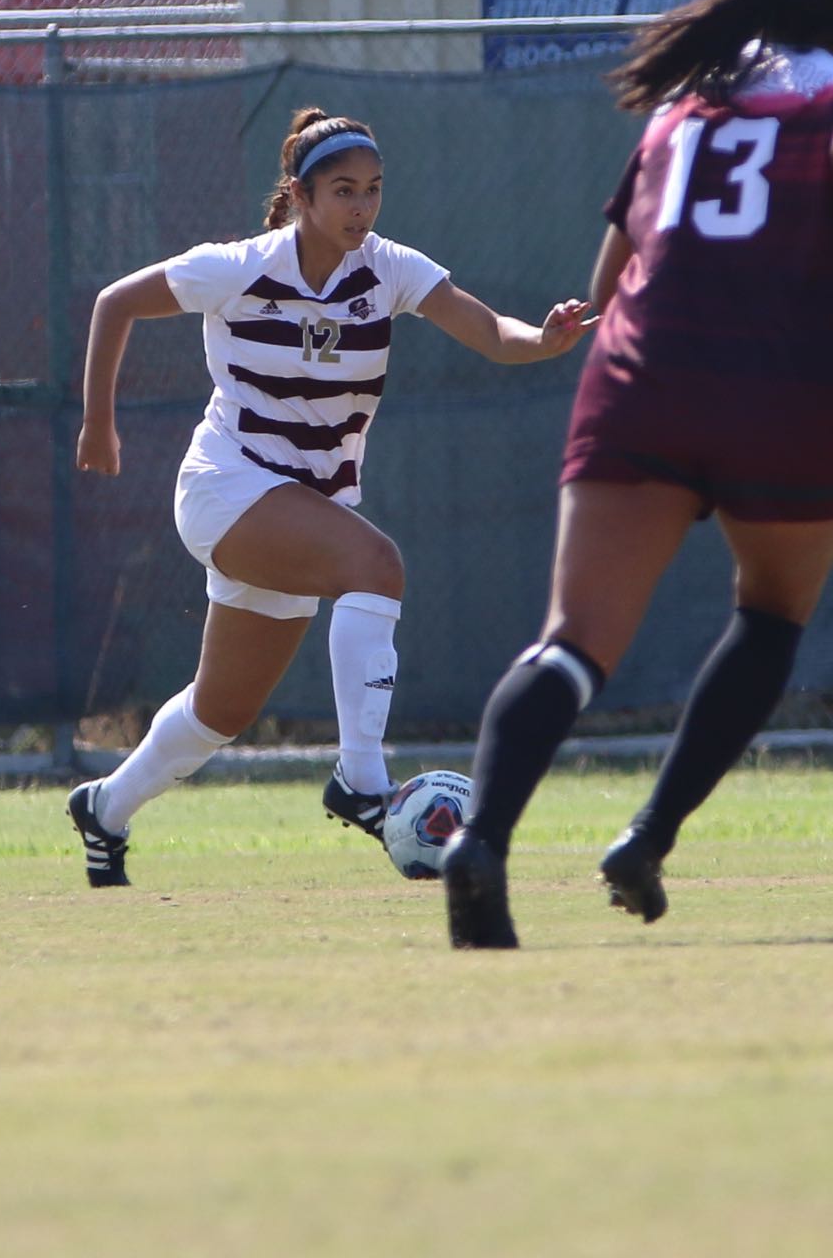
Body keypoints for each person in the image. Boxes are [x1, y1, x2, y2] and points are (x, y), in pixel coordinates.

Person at [441, 0, 833, 950]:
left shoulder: (687, 100)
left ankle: (481, 838)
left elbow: (619, 254)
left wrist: (598, 334)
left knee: (571, 644)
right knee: (770, 618)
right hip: (788, 391)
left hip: (646, 378)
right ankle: (649, 834)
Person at [65, 106, 595, 887]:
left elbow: (488, 332)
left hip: (305, 509)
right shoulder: (240, 265)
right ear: (300, 195)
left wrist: (541, 340)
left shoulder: (389, 269)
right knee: (375, 566)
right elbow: (115, 302)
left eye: (373, 190)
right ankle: (362, 781)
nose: (361, 207)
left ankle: (104, 808)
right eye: (343, 191)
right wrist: (98, 426)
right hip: (226, 486)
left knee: (222, 710)